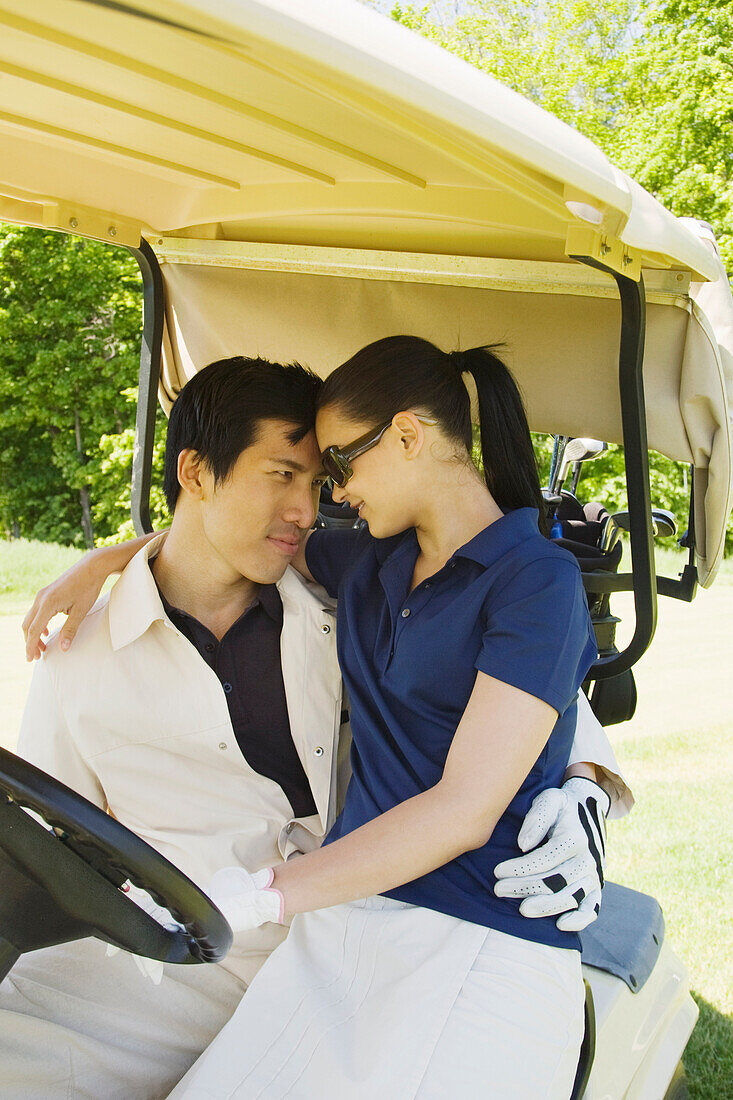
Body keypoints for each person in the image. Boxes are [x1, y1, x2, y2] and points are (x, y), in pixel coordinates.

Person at [3, 353, 627, 1100]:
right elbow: (47, 848)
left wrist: (586, 782)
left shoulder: (341, 594)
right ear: (195, 473)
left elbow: (526, 695)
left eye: (320, 478)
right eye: (282, 475)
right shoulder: (82, 654)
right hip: (191, 955)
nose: (310, 507)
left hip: (360, 924)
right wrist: (107, 560)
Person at [169, 336, 607, 1100]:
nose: (332, 494)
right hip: (343, 927)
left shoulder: (536, 583)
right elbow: (234, 536)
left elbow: (465, 810)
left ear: (408, 435)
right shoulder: (370, 563)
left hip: (479, 938)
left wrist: (268, 892)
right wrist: (103, 566)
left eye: (340, 464)